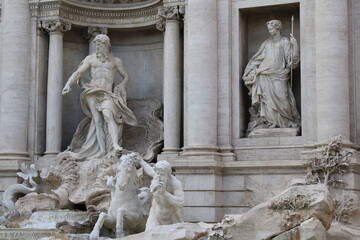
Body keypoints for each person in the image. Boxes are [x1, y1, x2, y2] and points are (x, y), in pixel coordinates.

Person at [62, 34, 137, 159]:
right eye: (97, 44)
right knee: (97, 121)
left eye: (100, 44)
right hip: (92, 91)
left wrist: (122, 85)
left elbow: (126, 76)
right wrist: (68, 84)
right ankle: (102, 150)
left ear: (107, 45)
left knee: (108, 115)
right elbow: (78, 72)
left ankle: (115, 145)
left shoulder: (115, 60)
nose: (98, 47)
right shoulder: (90, 59)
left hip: (107, 93)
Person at [242, 19, 300, 135]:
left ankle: (286, 122)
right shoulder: (266, 43)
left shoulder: (285, 42)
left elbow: (292, 62)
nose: (270, 31)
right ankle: (269, 122)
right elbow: (257, 59)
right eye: (268, 29)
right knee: (266, 100)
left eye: (271, 29)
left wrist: (295, 47)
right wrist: (248, 71)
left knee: (282, 97)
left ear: (278, 28)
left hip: (279, 75)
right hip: (264, 75)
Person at [136, 158, 184, 230]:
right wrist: (140, 160)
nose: (158, 176)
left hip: (172, 217)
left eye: (161, 174)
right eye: (157, 173)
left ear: (168, 175)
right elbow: (148, 169)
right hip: (155, 216)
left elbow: (180, 202)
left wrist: (164, 193)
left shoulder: (175, 183)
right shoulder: (157, 176)